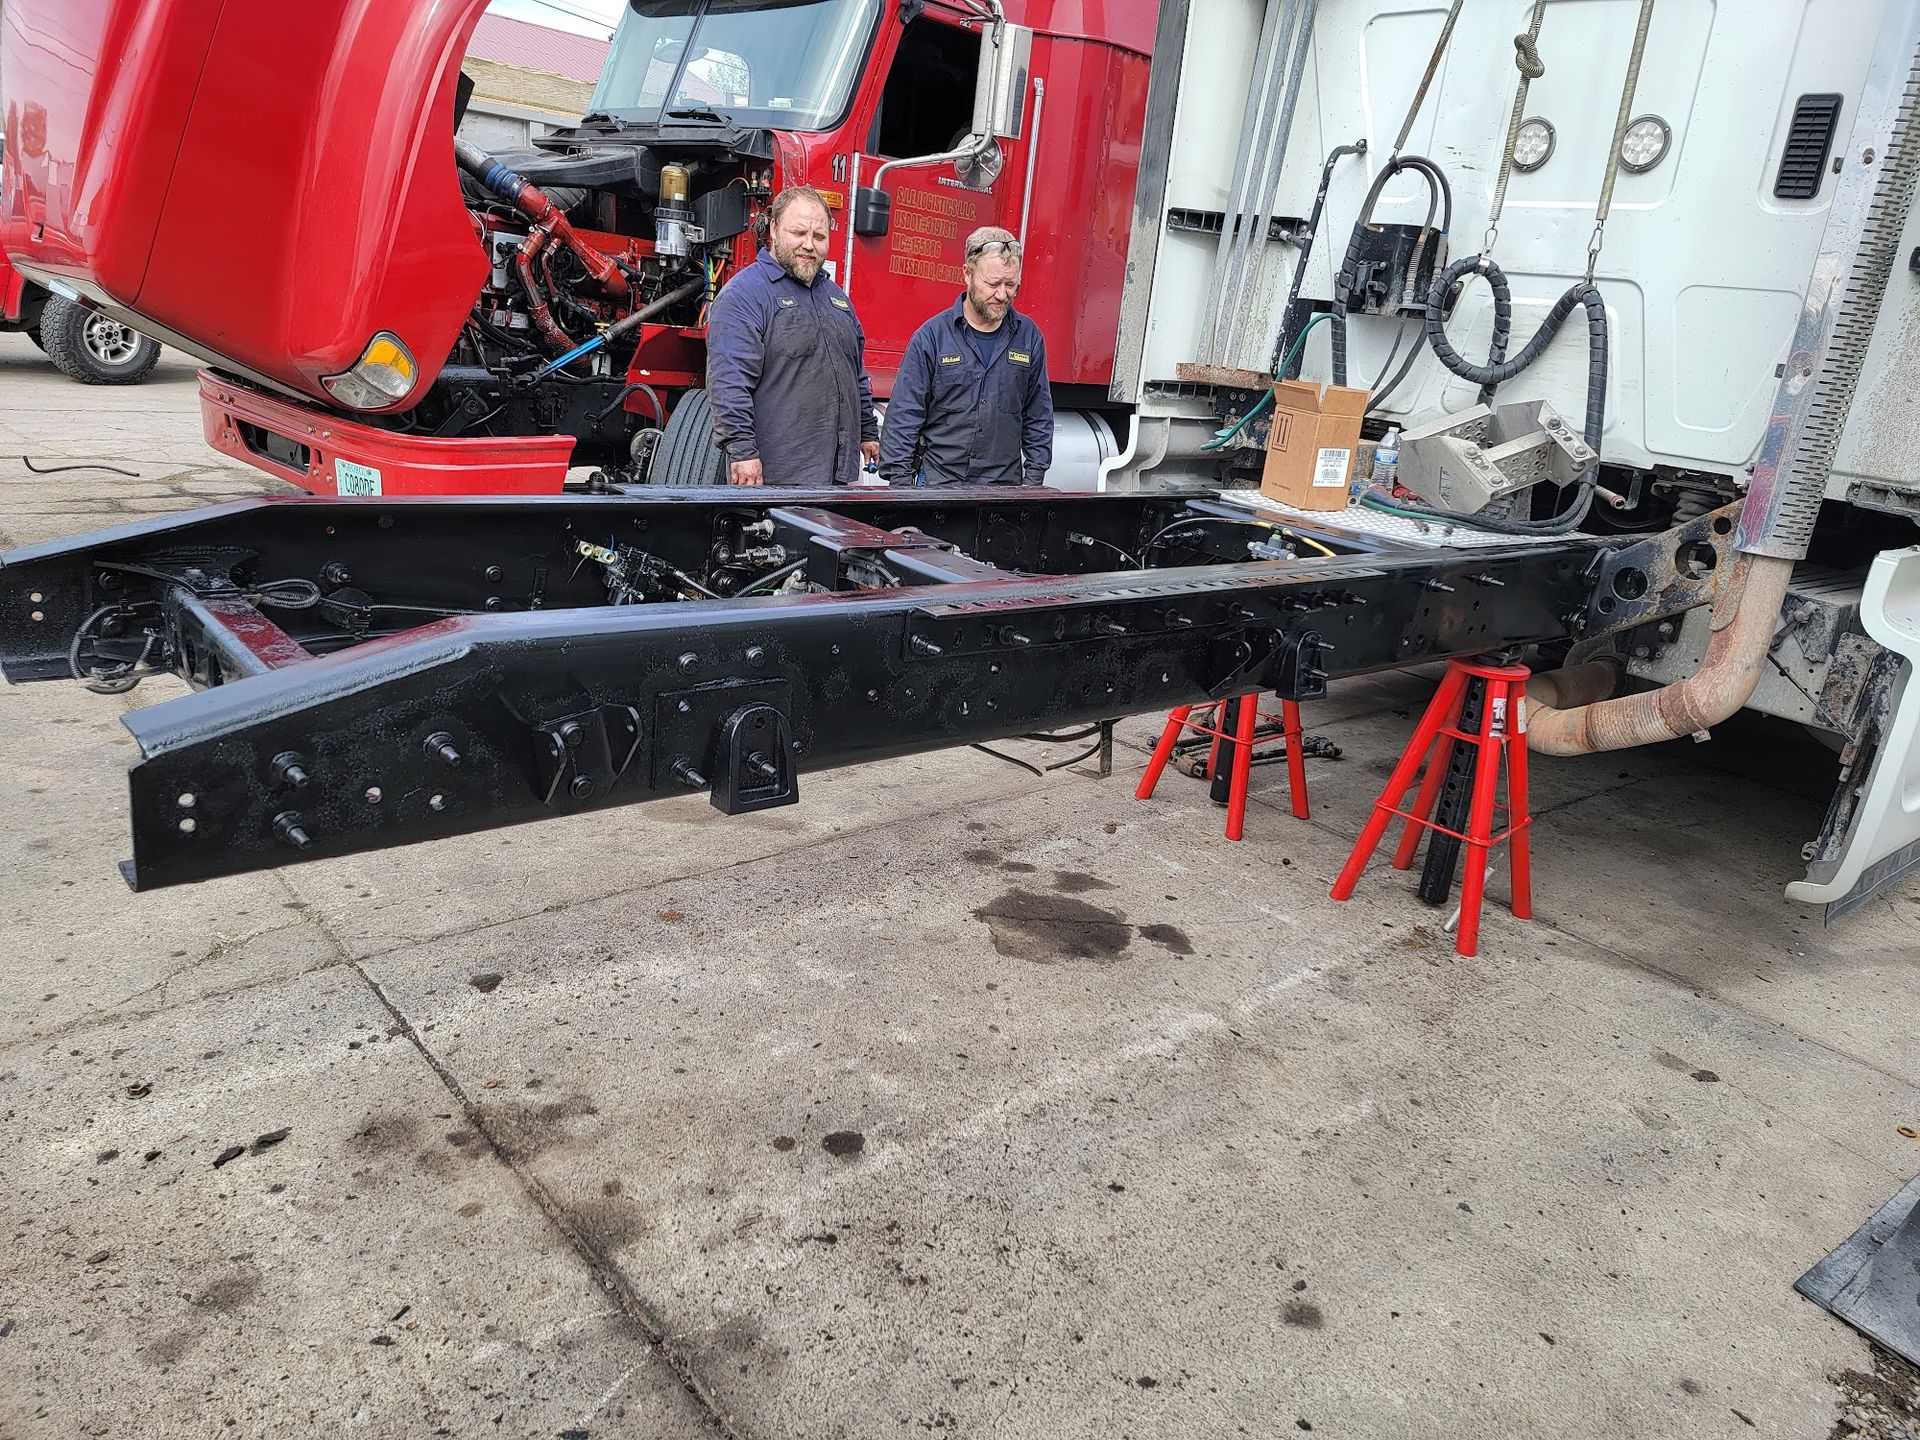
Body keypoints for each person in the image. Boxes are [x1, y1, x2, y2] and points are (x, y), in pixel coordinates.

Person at [706, 186, 880, 486]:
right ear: (773, 229)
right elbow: (729, 383)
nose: (809, 245)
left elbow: (856, 373)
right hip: (775, 478)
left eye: (819, 237)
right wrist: (742, 452)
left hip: (838, 476)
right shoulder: (744, 295)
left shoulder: (837, 299)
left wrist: (867, 431)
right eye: (799, 233)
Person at [879, 227, 1054, 486]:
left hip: (1002, 490)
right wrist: (902, 490)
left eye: (1011, 284)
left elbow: (1038, 416)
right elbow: (904, 416)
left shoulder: (1029, 338)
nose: (1003, 294)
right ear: (967, 274)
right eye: (993, 284)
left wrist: (1034, 481)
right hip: (939, 487)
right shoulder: (932, 337)